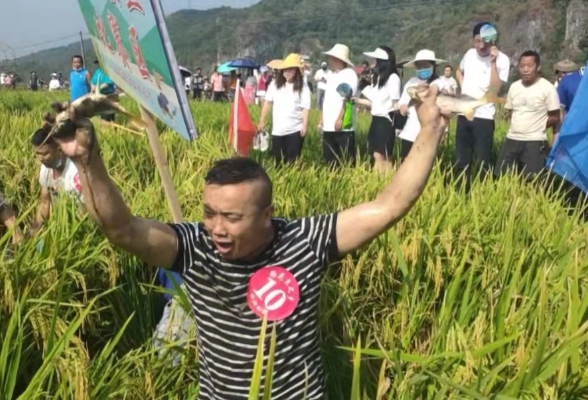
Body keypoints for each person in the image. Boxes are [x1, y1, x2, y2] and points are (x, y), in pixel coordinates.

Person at [42, 80, 447, 400]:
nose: (216, 227)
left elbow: (389, 204)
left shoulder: (305, 240)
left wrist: (429, 129)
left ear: (266, 214)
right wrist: (85, 159)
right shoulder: (195, 248)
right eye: (210, 212)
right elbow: (122, 230)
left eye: (232, 217)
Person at [455, 22, 510, 189]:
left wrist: (493, 63)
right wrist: (463, 85)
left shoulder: (503, 60)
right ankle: (460, 192)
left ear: (492, 40)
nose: (481, 45)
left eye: (485, 41)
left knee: (482, 160)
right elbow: (459, 70)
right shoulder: (470, 54)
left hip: (484, 117)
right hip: (464, 113)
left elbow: (495, 89)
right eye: (477, 41)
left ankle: (482, 194)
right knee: (461, 159)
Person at [494, 51, 560, 180]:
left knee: (532, 180)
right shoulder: (514, 87)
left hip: (534, 141)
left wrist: (538, 125)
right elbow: (511, 111)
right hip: (512, 139)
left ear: (538, 67)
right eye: (522, 66)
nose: (525, 69)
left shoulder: (547, 88)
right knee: (501, 177)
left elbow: (555, 116)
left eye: (529, 66)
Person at [352, 46, 401, 172]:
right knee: (376, 154)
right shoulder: (379, 79)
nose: (372, 60)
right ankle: (377, 180)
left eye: (375, 58)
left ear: (382, 61)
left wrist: (398, 126)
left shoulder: (393, 78)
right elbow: (374, 102)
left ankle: (387, 180)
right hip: (376, 119)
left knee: (384, 155)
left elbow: (396, 104)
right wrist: (357, 100)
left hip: (386, 121)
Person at [258, 54, 311, 165]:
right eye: (285, 69)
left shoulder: (303, 87)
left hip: (295, 130)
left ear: (296, 71)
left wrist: (305, 126)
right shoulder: (274, 85)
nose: (287, 72)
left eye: (290, 69)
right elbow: (267, 103)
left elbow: (305, 108)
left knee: (292, 162)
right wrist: (262, 121)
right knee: (278, 161)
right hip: (278, 130)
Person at [398, 50, 448, 162]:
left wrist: (444, 131)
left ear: (433, 65)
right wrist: (402, 108)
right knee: (406, 162)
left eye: (425, 65)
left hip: (428, 133)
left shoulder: (440, 83)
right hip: (409, 132)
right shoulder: (411, 82)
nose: (422, 68)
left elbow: (444, 110)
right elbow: (402, 103)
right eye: (419, 66)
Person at [30, 129, 84, 235]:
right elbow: (45, 203)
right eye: (38, 153)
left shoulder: (76, 174)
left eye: (45, 153)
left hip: (76, 226)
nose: (40, 158)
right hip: (58, 224)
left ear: (59, 150)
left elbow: (83, 214)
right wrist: (34, 231)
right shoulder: (46, 167)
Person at [319, 43, 359, 167]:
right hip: (328, 126)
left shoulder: (349, 74)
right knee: (330, 161)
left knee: (346, 160)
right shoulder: (332, 75)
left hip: (342, 127)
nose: (329, 60)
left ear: (337, 59)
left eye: (331, 57)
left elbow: (347, 97)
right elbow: (326, 101)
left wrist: (340, 118)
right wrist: (321, 120)